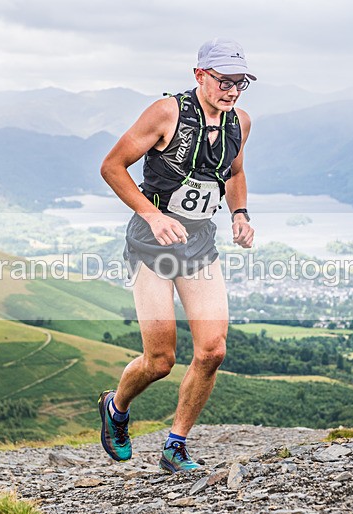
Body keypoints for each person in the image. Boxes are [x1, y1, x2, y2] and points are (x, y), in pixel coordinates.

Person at [97, 37, 256, 472]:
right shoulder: (166, 113)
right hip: (154, 245)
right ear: (200, 75)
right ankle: (116, 407)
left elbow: (235, 171)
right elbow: (112, 166)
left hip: (200, 243)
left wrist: (239, 214)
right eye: (224, 80)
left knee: (212, 350)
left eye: (240, 83)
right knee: (160, 360)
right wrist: (151, 215)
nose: (232, 91)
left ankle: (176, 445)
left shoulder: (239, 122)